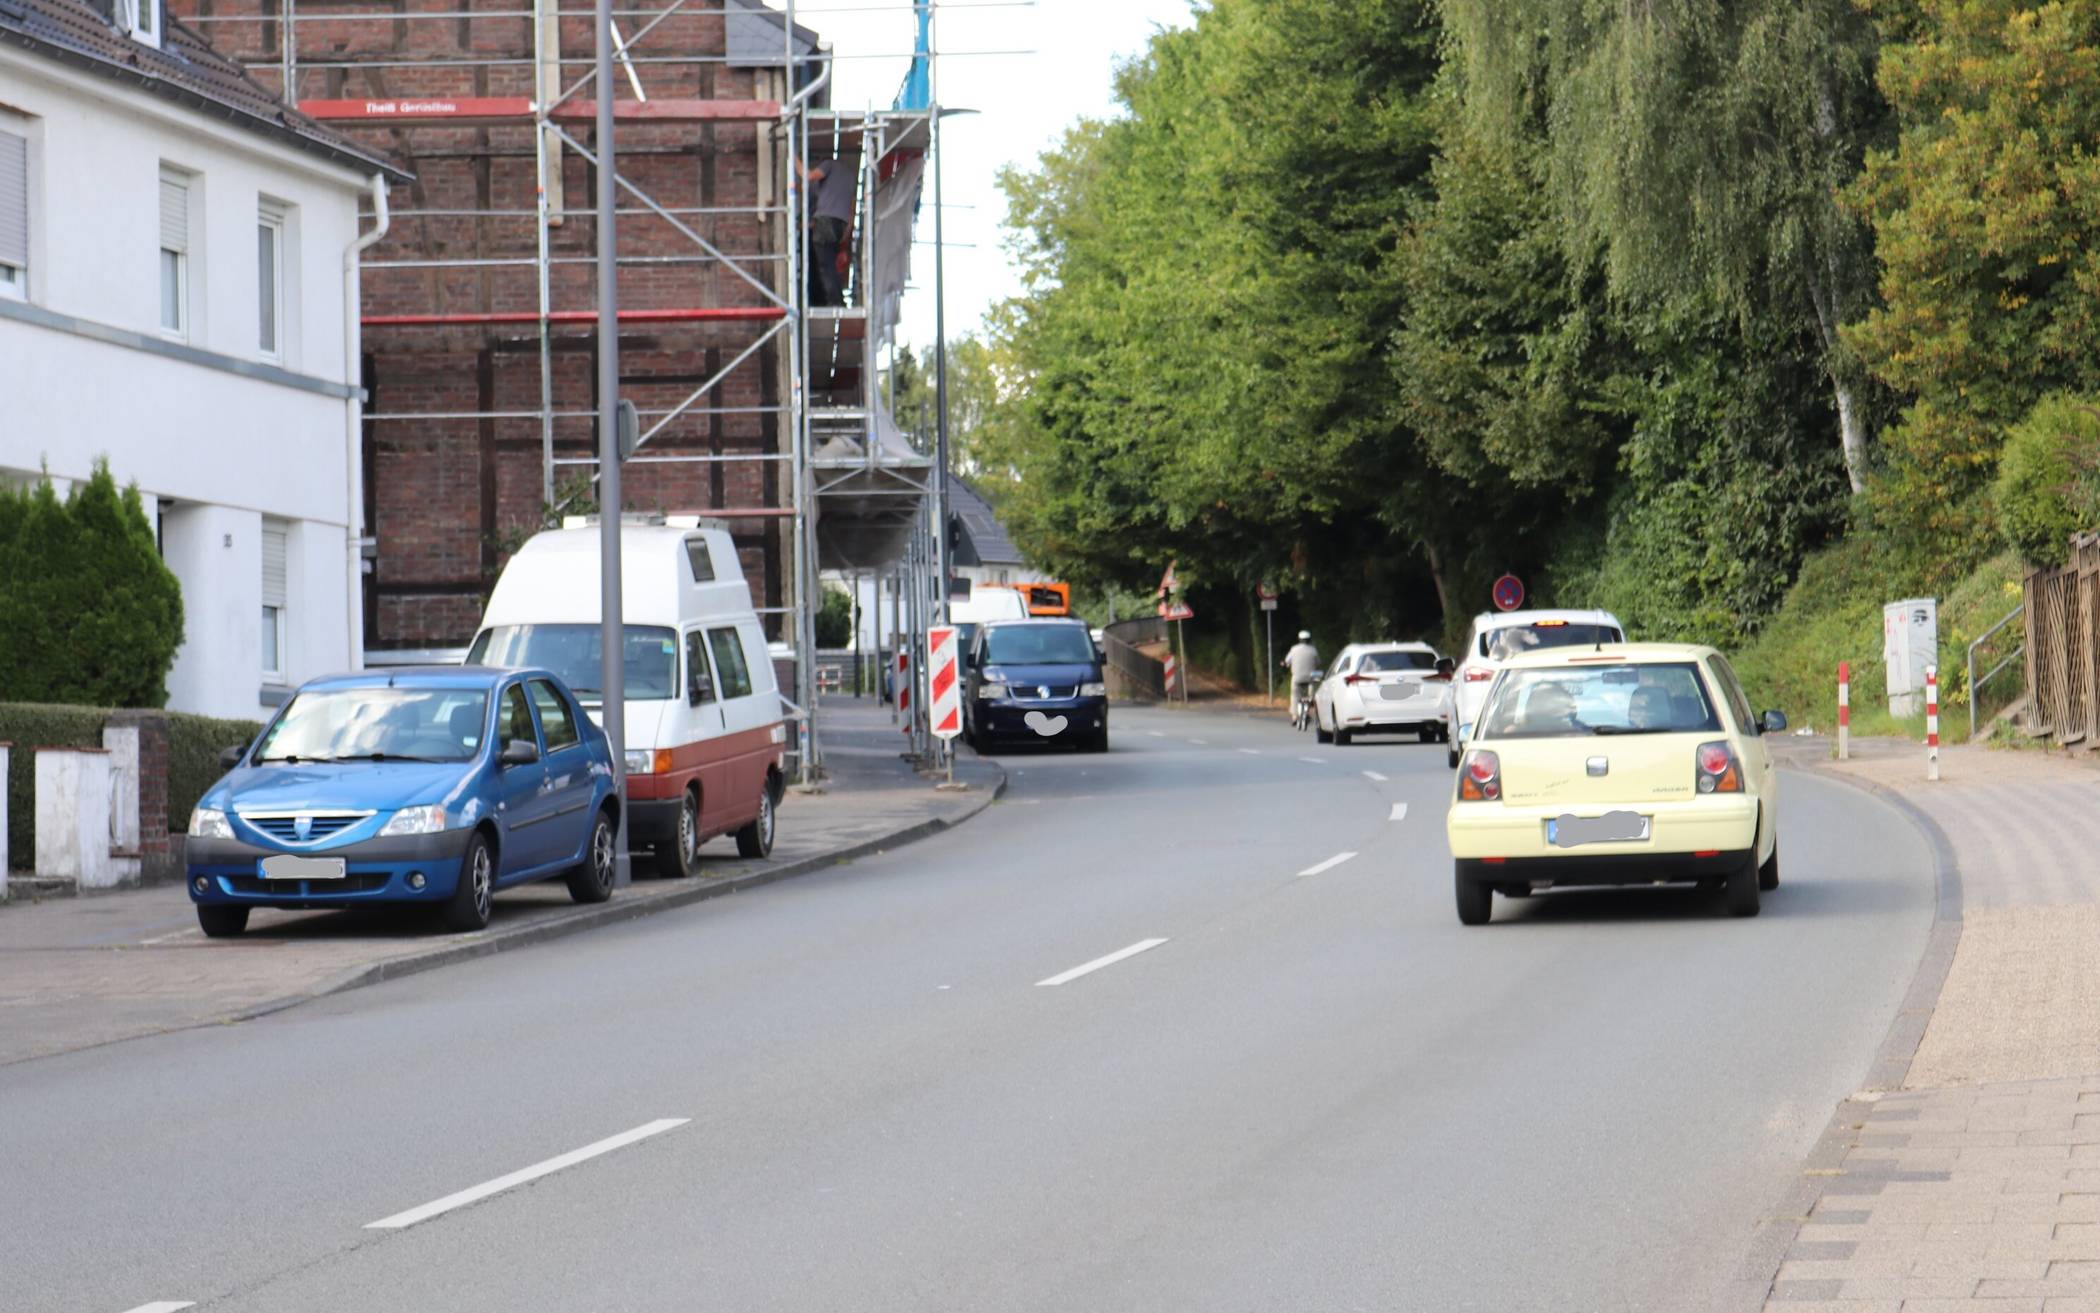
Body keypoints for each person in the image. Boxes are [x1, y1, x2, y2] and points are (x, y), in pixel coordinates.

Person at [796, 156, 857, 307]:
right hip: (840, 225)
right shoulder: (850, 176)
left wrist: (793, 158)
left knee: (824, 266)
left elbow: (808, 176)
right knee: (829, 263)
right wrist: (847, 231)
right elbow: (852, 208)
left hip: (825, 222)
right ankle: (834, 300)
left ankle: (835, 302)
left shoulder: (829, 165)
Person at [1282, 630, 1320, 713]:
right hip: (1310, 678)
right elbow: (1318, 663)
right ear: (1309, 640)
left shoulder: (1294, 649)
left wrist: (1287, 664)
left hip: (1297, 677)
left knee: (1294, 695)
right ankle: (1310, 703)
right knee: (1312, 691)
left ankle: (1295, 716)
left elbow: (1287, 661)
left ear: (1299, 639)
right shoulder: (1313, 650)